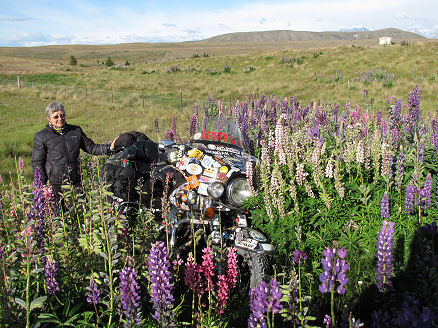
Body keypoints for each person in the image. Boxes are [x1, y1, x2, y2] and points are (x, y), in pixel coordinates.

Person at [32, 102, 118, 205]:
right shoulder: (41, 136)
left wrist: (110, 147)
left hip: (75, 180)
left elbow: (91, 148)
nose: (60, 118)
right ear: (48, 119)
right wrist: (43, 186)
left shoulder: (76, 131)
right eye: (56, 117)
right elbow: (37, 163)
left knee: (82, 210)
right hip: (56, 184)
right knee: (59, 215)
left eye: (62, 115)